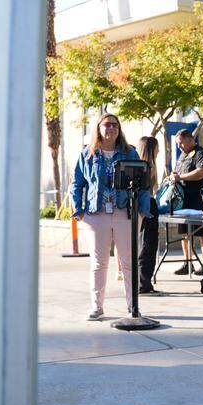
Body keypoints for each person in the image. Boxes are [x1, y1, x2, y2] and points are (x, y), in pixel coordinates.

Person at [70, 113, 151, 320]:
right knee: (99, 262)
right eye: (107, 124)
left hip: (125, 212)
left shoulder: (129, 153)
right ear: (98, 128)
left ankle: (133, 307)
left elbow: (143, 183)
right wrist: (78, 211)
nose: (111, 128)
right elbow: (77, 183)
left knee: (128, 261)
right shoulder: (88, 154)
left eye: (115, 125)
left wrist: (142, 211)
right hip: (96, 214)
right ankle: (97, 307)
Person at [171, 129, 203, 275]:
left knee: (201, 232)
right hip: (183, 200)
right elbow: (177, 173)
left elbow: (202, 172)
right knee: (184, 232)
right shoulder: (183, 155)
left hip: (198, 199)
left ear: (190, 139)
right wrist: (173, 177)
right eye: (177, 144)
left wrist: (180, 177)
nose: (179, 147)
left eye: (181, 143)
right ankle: (187, 263)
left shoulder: (201, 153)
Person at [137, 136, 160, 295]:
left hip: (142, 206)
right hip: (148, 206)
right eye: (157, 147)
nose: (159, 151)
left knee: (143, 244)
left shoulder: (139, 165)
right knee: (148, 245)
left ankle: (143, 282)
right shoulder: (148, 166)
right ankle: (144, 284)